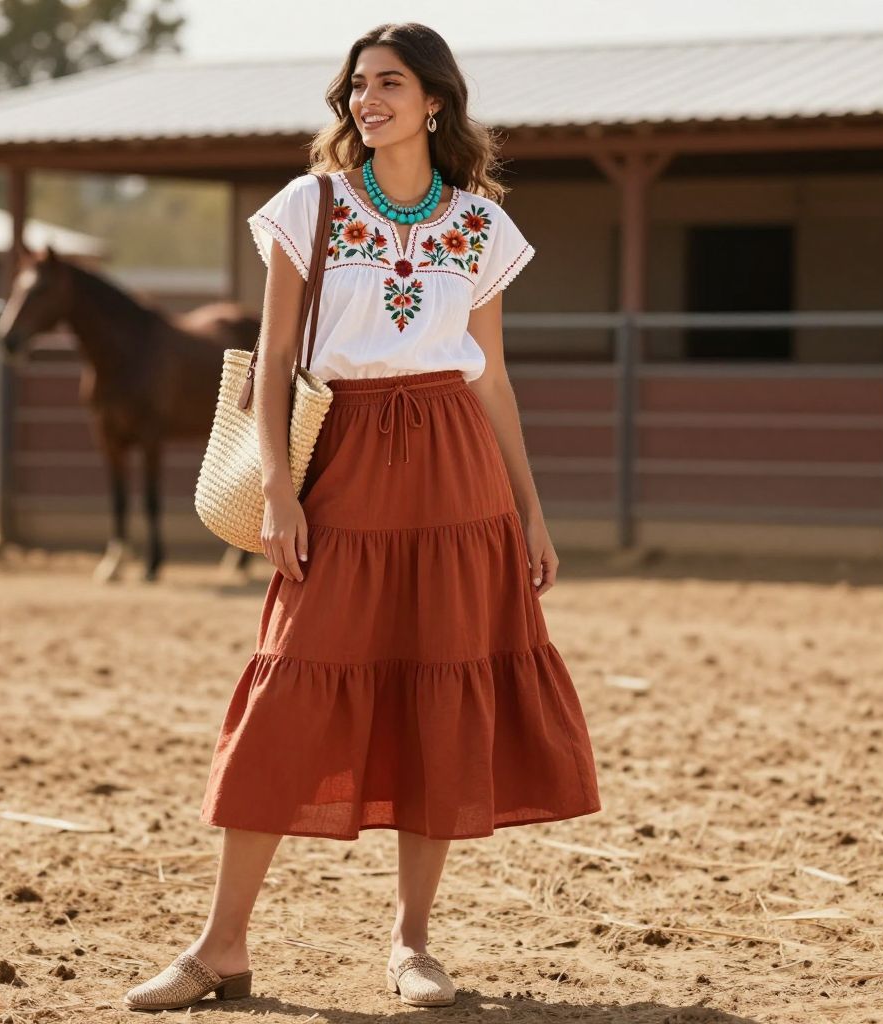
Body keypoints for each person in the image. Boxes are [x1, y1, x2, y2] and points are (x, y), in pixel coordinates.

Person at [124, 21, 600, 1013]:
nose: (365, 100)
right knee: (287, 690)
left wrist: (531, 512)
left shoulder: (480, 224)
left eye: (388, 83)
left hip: (458, 477)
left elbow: (492, 379)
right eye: (355, 85)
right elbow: (273, 359)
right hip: (341, 465)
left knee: (439, 694)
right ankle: (220, 946)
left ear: (435, 101)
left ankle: (412, 946)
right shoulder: (312, 204)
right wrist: (281, 490)